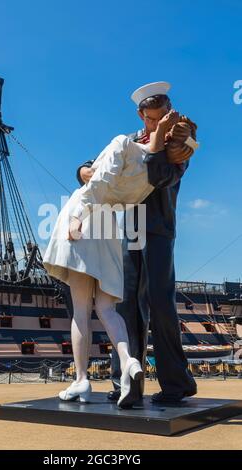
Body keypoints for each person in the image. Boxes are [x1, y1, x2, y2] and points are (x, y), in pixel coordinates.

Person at [77, 82, 198, 404]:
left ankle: (177, 384)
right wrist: (84, 170)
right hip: (131, 230)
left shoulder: (180, 144)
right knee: (126, 305)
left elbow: (161, 177)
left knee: (160, 304)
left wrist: (159, 141)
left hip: (158, 227)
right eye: (150, 120)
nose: (156, 125)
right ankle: (124, 383)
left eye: (162, 119)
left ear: (170, 114)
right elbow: (98, 162)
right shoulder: (128, 140)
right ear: (140, 115)